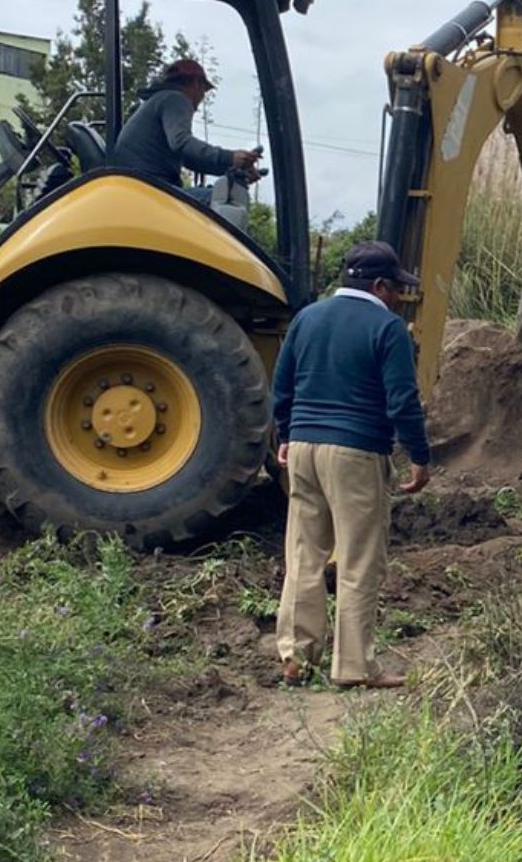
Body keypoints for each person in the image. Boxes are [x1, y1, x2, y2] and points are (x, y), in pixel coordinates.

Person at [272, 240, 431, 689]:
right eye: (396, 288)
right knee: (359, 560)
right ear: (378, 285)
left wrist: (286, 435)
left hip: (302, 447)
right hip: (356, 451)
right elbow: (403, 401)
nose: (399, 297)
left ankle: (296, 659)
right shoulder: (388, 329)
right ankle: (355, 667)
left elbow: (281, 386)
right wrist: (419, 456)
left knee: (304, 553)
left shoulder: (307, 318)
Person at [109, 57, 259, 204]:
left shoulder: (158, 101)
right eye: (204, 91)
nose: (201, 98)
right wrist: (230, 157)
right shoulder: (176, 99)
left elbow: (189, 159)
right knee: (228, 198)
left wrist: (234, 167)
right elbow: (181, 142)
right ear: (196, 83)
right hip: (151, 190)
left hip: (140, 188)